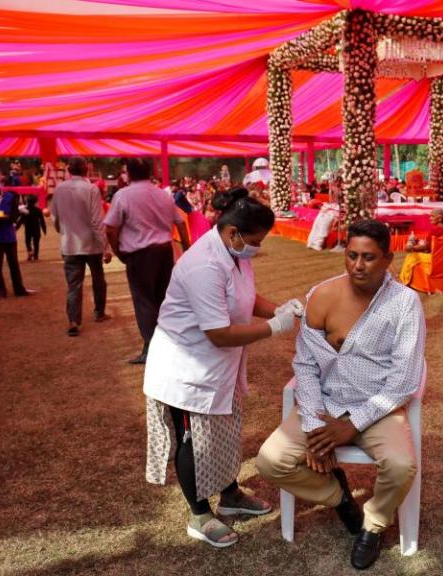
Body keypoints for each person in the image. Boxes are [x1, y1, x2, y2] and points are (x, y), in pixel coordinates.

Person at [256, 219, 425, 570]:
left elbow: (404, 380)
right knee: (270, 461)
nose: (358, 266)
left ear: (387, 259)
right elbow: (304, 365)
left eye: (368, 257)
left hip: (377, 407)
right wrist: (317, 423)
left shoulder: (405, 304)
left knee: (401, 466)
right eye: (351, 256)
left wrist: (352, 425)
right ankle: (338, 496)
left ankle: (373, 524)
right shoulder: (322, 295)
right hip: (325, 404)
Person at [144, 188, 298, 547]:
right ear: (234, 233)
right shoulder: (203, 264)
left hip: (216, 366)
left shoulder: (234, 253)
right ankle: (199, 515)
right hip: (186, 368)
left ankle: (230, 497)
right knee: (194, 441)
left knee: (225, 434)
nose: (257, 248)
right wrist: (275, 327)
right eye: (256, 241)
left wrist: (278, 309)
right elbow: (218, 333)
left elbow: (244, 297)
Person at [105, 158, 190, 364]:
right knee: (163, 299)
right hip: (163, 252)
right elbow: (180, 223)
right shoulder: (162, 194)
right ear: (149, 172)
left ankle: (151, 347)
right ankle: (170, 343)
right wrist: (187, 249)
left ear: (129, 174)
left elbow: (110, 227)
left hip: (139, 255)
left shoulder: (123, 195)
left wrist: (118, 250)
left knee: (143, 300)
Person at [51, 156, 112, 337]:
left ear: (68, 170)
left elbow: (54, 217)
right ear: (86, 170)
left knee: (73, 285)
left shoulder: (59, 189)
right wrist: (105, 247)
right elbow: (96, 221)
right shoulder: (91, 189)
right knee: (98, 279)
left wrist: (63, 232)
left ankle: (73, 320)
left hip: (70, 244)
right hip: (91, 245)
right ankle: (99, 312)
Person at [398, 208, 443, 285]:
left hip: (435, 259)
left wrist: (412, 248)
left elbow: (427, 247)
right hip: (441, 257)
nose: (430, 218)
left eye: (432, 216)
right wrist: (418, 242)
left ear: (440, 218)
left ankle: (403, 281)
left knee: (411, 256)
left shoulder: (437, 230)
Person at [17, 195, 47, 261]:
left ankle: (30, 252)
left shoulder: (24, 210)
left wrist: (16, 228)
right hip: (36, 229)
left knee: (27, 241)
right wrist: (44, 230)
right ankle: (36, 256)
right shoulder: (38, 210)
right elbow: (42, 221)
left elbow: (20, 220)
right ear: (36, 202)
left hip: (28, 228)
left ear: (27, 201)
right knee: (36, 243)